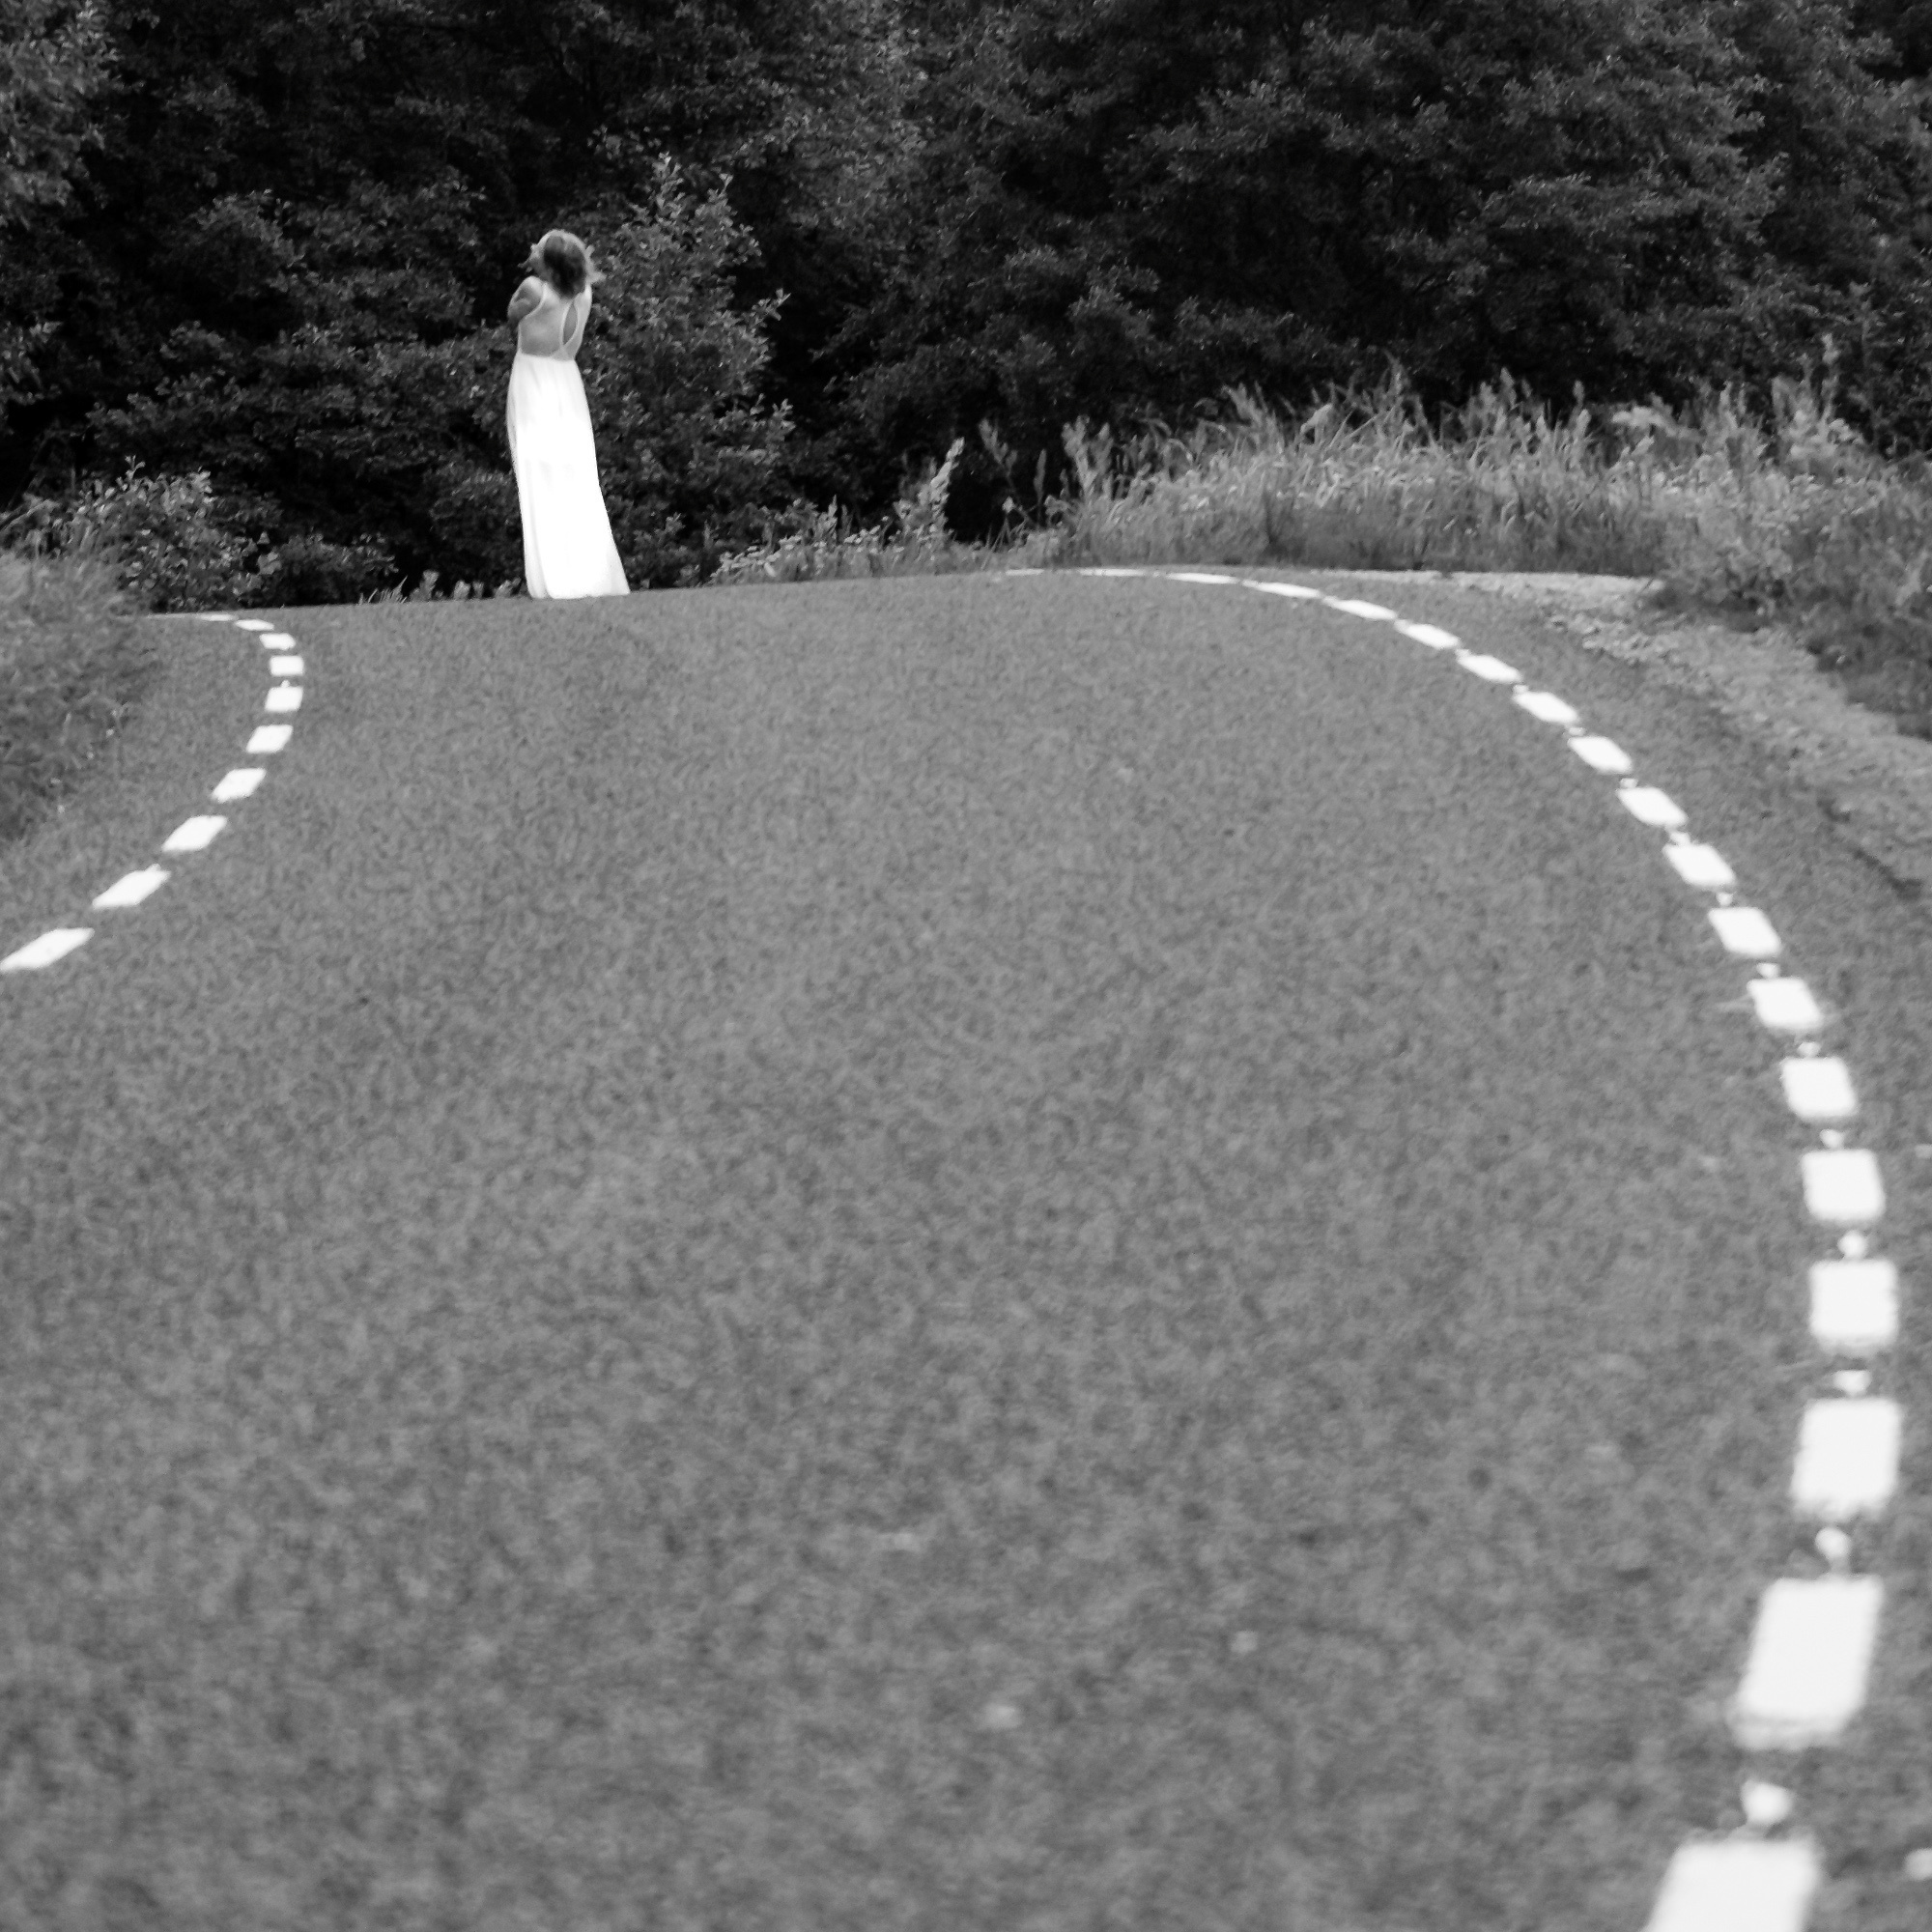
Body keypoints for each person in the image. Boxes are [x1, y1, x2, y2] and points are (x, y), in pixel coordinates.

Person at [505, 229, 630, 598]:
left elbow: (512, 317)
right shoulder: (585, 294)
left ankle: (554, 579)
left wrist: (534, 273)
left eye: (539, 247)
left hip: (533, 382)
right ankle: (589, 574)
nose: (532, 248)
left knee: (538, 477)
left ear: (547, 260)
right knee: (576, 477)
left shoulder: (532, 289)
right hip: (568, 384)